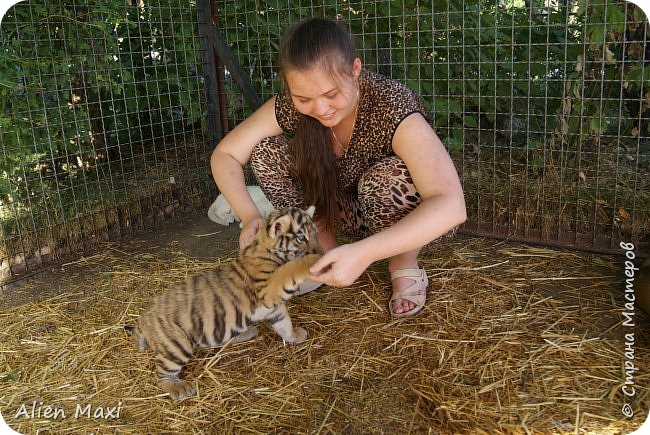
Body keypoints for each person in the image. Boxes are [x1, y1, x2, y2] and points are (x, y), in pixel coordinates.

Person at [211, 17, 466, 317]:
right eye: (304, 98)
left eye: (332, 94)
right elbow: (225, 154)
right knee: (266, 152)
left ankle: (402, 263)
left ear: (355, 69)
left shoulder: (391, 103)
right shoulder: (290, 106)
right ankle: (324, 251)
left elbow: (452, 205)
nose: (321, 109)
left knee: (388, 179)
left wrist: (364, 253)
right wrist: (250, 216)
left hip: (398, 216)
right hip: (338, 210)